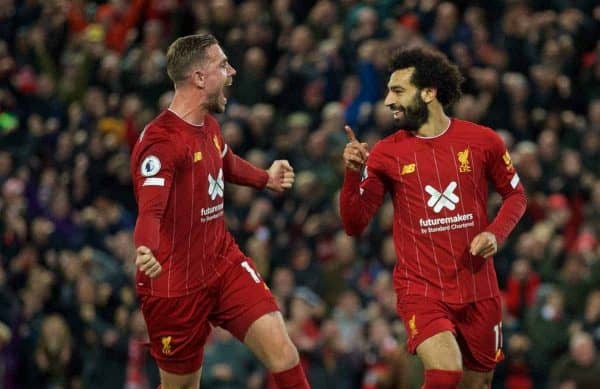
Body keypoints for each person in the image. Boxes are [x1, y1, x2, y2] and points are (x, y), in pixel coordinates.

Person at [339, 47, 527, 388]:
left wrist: (496, 233)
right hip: (422, 290)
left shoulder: (483, 141)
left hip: (478, 289)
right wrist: (353, 174)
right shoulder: (386, 153)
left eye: (397, 91)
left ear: (428, 93)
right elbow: (354, 223)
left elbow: (516, 196)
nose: (387, 101)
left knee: (478, 384)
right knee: (445, 372)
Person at [130, 34, 310, 389]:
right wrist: (145, 248)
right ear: (199, 77)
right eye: (223, 65)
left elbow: (225, 161)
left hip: (222, 263)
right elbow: (150, 211)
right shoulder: (162, 142)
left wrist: (265, 179)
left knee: (284, 354)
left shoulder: (208, 126)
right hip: (175, 286)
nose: (232, 71)